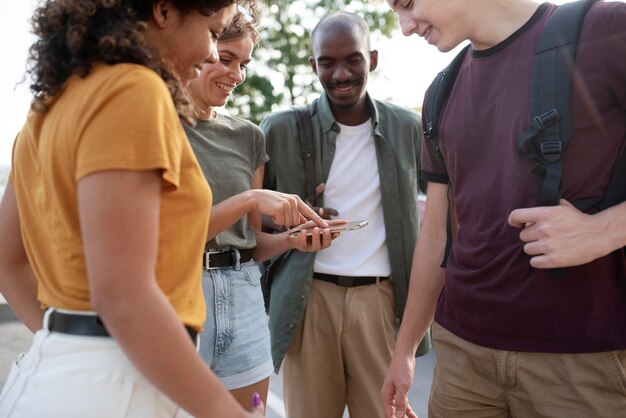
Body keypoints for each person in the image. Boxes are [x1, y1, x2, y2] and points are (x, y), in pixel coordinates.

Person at [0, 1, 279, 417]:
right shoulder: (135, 88)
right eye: (213, 31)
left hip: (56, 376)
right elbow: (123, 297)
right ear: (164, 11)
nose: (210, 52)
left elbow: (9, 264)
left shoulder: (47, 108)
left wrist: (74, 345)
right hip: (119, 388)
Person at [382, 1, 626, 417]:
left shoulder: (605, 29)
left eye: (407, 3)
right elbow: (437, 233)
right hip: (461, 358)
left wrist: (606, 229)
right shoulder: (440, 92)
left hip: (580, 362)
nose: (405, 27)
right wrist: (404, 350)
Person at [260, 11, 430, 418]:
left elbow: (443, 209)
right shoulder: (279, 129)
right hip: (309, 300)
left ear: (372, 59)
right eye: (327, 62)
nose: (340, 73)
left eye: (352, 59)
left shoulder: (408, 127)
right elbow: (250, 223)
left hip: (380, 300)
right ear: (313, 66)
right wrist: (293, 224)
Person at [183, 6, 332, 411]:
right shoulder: (158, 125)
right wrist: (250, 199)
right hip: (181, 295)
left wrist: (293, 240)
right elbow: (171, 239)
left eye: (244, 64)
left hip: (244, 294)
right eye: (227, 59)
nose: (236, 74)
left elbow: (251, 243)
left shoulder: (249, 137)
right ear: (199, 47)